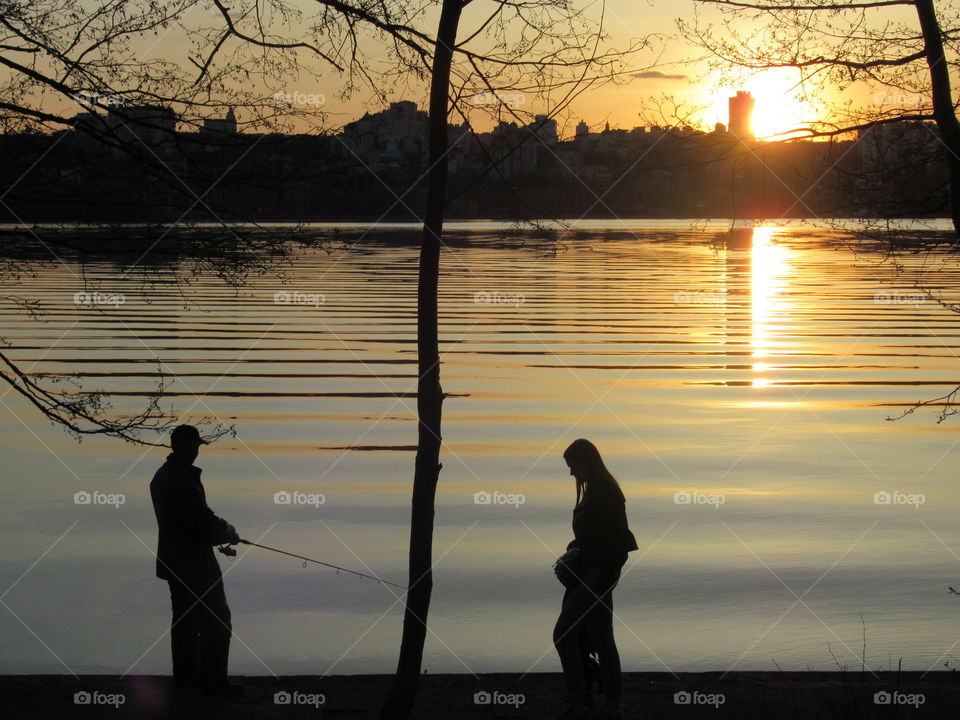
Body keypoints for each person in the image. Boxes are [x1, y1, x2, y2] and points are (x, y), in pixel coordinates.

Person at [150, 424, 243, 696]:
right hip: (194, 564)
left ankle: (186, 679)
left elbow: (193, 520)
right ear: (182, 445)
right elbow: (201, 521)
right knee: (217, 619)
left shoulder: (164, 475)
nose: (196, 451)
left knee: (185, 622)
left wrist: (219, 531)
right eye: (194, 446)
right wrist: (228, 532)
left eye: (197, 446)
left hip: (172, 560)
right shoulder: (181, 479)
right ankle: (214, 683)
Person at [553, 439, 638, 719]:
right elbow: (595, 535)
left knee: (564, 634)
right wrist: (574, 549)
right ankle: (609, 700)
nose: (571, 473)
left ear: (586, 462)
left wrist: (595, 573)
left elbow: (616, 543)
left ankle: (581, 700)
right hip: (590, 573)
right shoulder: (595, 491)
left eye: (573, 466)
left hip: (597, 576)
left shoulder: (608, 494)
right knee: (601, 638)